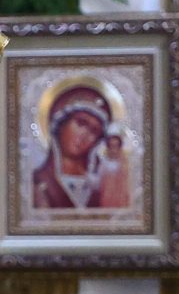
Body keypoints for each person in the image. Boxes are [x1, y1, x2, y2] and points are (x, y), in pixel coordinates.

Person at [28, 80, 130, 211]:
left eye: (94, 131)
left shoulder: (104, 177)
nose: (84, 135)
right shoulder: (39, 180)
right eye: (81, 123)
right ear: (61, 123)